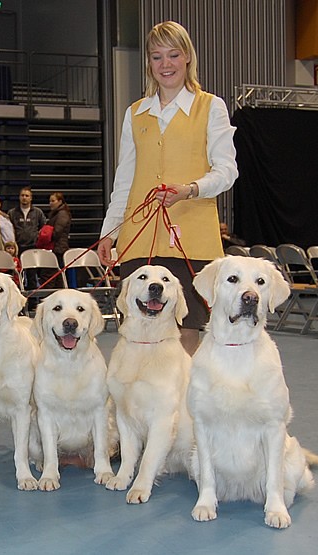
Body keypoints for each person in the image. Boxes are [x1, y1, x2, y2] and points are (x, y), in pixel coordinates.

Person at [97, 21, 238, 355]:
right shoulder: (135, 113)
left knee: (186, 328)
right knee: (137, 329)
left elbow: (227, 171)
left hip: (192, 237)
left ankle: (182, 391)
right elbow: (125, 180)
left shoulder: (210, 106)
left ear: (187, 56)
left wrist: (190, 189)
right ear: (149, 62)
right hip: (139, 236)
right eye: (157, 56)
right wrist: (109, 233)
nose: (166, 64)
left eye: (173, 55)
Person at [8, 186, 47, 289]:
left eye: (27, 196)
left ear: (31, 198)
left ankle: (33, 297)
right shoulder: (12, 212)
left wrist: (38, 238)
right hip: (17, 247)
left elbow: (44, 227)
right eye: (22, 195)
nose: (24, 198)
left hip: (32, 246)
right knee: (17, 273)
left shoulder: (37, 212)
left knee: (31, 274)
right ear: (19, 197)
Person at [39, 192, 71, 289]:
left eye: (53, 201)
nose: (50, 203)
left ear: (60, 201)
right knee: (55, 275)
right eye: (50, 201)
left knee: (51, 276)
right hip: (55, 248)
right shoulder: (56, 214)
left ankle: (50, 294)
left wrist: (45, 235)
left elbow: (57, 232)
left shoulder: (62, 214)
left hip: (58, 249)